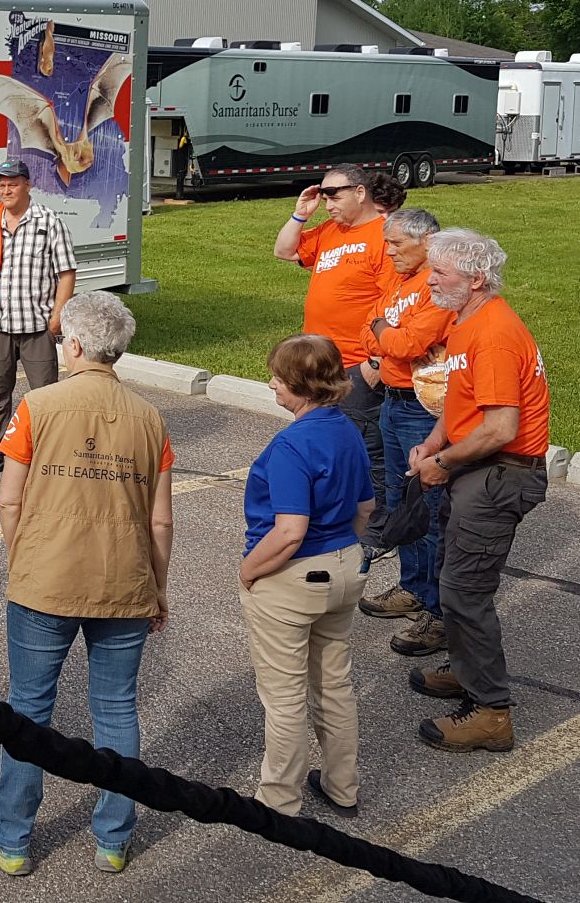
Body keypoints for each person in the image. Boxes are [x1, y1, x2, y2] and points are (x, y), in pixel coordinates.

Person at [0, 293, 172, 877]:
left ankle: (12, 838)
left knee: (30, 709)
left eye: (65, 338)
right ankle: (113, 837)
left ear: (78, 346)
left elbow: (9, 500)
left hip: (46, 580)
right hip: (125, 580)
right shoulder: (149, 417)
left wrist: (24, 562)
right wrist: (158, 587)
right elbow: (160, 518)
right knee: (116, 709)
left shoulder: (38, 406)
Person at [407, 229, 550, 753]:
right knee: (453, 579)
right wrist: (432, 442)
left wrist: (441, 462)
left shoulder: (492, 333)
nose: (430, 280)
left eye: (440, 272)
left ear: (476, 279)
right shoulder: (467, 321)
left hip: (499, 473)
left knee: (466, 592)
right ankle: (465, 671)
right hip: (479, 469)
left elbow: (500, 428)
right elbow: (459, 399)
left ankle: (491, 712)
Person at [238, 334, 375, 817]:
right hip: (345, 567)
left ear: (299, 385)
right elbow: (366, 506)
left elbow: (290, 530)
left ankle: (279, 802)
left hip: (293, 577)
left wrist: (249, 570)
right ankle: (343, 787)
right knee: (333, 683)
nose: (272, 383)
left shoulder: (292, 444)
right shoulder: (346, 428)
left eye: (278, 376)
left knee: (285, 696)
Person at [272, 164, 404, 548]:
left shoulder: (382, 235)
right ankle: (338, 513)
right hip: (322, 362)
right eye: (323, 194)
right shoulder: (331, 231)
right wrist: (301, 212)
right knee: (329, 442)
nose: (327, 202)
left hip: (357, 363)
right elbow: (283, 251)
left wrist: (375, 362)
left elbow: (392, 302)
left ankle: (377, 529)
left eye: (334, 194)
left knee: (365, 447)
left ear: (360, 193)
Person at [357, 207, 456, 657]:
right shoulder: (399, 281)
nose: (388, 251)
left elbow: (408, 343)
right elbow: (370, 329)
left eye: (397, 243)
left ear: (428, 241)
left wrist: (385, 334)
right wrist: (384, 332)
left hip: (421, 409)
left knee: (430, 510)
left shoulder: (434, 287)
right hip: (393, 403)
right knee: (400, 502)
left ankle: (436, 612)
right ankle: (412, 588)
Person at [0, 158, 77, 479]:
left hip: (36, 326)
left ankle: (46, 455)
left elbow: (66, 273)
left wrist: (57, 317)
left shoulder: (48, 222)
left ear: (28, 185)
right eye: (1, 184)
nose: (6, 190)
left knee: (44, 395)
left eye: (12, 183)